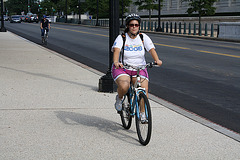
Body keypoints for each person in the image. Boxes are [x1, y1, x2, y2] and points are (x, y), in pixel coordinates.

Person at [111, 13, 162, 121]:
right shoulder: (122, 38)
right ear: (127, 26)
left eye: (136, 25)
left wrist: (157, 60)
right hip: (123, 68)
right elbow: (116, 50)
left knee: (143, 90)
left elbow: (151, 49)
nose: (134, 27)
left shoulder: (143, 37)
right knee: (124, 86)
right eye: (131, 25)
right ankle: (119, 98)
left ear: (139, 26)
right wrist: (116, 61)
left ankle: (143, 113)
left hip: (139, 68)